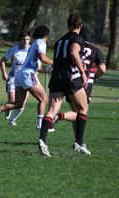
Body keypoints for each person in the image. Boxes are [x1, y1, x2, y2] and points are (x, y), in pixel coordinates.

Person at [38, 14, 89, 157]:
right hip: (70, 78)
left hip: (56, 77)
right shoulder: (77, 38)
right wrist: (82, 72)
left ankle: (42, 140)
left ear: (68, 25)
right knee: (83, 108)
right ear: (80, 25)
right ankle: (79, 143)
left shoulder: (59, 41)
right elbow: (73, 52)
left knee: (52, 110)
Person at [0, 25, 53, 129]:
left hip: (20, 75)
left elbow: (38, 66)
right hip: (27, 74)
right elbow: (43, 58)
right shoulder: (40, 42)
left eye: (27, 39)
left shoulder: (33, 45)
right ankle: (40, 125)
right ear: (46, 35)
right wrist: (56, 63)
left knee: (18, 104)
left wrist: (49, 71)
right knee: (43, 99)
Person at [0, 30, 31, 125]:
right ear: (20, 40)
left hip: (26, 80)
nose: (26, 41)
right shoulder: (14, 50)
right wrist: (4, 73)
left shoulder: (32, 50)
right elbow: (3, 61)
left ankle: (12, 120)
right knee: (13, 101)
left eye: (28, 39)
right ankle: (8, 108)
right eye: (24, 39)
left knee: (21, 104)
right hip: (13, 78)